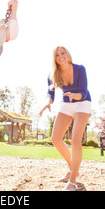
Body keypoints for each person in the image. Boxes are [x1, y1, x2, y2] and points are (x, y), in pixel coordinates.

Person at [39, 46, 91, 191]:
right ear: (54, 58)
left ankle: (73, 181)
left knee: (75, 139)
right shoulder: (53, 74)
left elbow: (84, 92)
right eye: (57, 55)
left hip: (83, 103)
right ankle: (73, 168)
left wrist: (76, 96)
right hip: (67, 104)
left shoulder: (80, 69)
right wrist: (46, 103)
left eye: (63, 53)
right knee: (55, 138)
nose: (61, 56)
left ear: (67, 54)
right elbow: (50, 94)